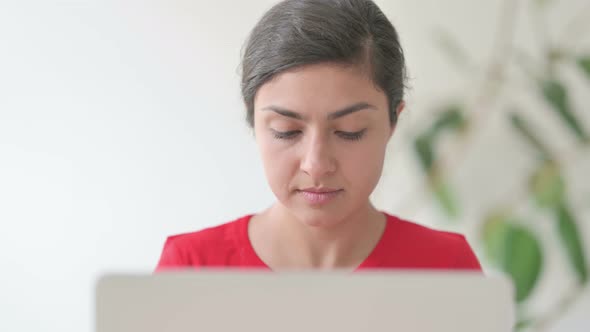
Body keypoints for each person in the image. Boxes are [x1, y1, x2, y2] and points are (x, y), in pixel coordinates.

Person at [156, 0, 481, 272]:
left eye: (349, 132)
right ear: (253, 120)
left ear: (393, 121)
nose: (316, 164)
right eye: (287, 132)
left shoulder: (446, 269)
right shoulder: (192, 267)